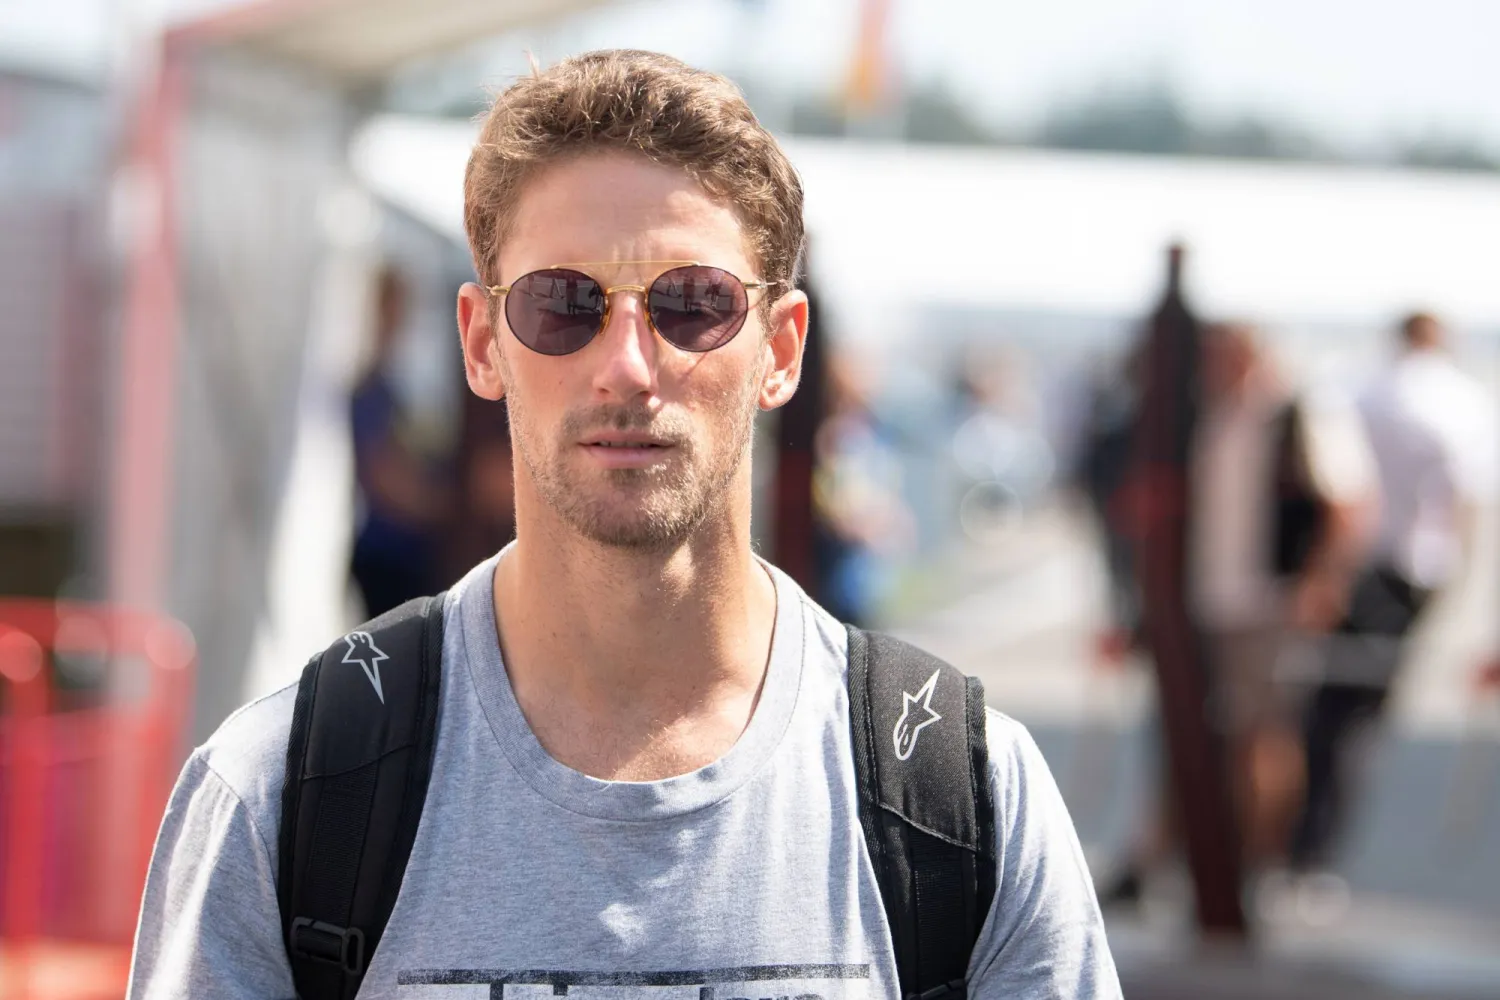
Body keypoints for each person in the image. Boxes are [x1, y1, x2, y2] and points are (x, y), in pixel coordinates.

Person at [127, 51, 1119, 999]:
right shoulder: (281, 793)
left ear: (781, 349)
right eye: (565, 303)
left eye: (694, 303)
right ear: (481, 342)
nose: (630, 366)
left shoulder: (964, 793)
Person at [1289, 312, 1497, 874]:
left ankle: (1301, 842)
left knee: (1322, 712)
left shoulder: (1357, 388)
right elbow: (1467, 506)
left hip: (1351, 567)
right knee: (1353, 719)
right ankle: (1311, 849)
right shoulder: (1458, 402)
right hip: (1405, 574)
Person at [348, 265, 447, 617]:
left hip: (401, 551)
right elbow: (383, 474)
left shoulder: (399, 378)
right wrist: (444, 508)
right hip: (385, 552)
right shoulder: (371, 385)